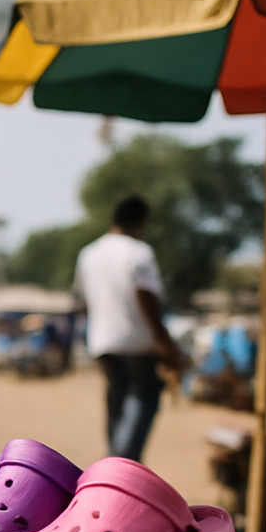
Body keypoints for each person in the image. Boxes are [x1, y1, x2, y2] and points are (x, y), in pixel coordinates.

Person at [73, 195, 185, 462]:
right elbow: (147, 298)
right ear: (140, 222)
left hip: (103, 344)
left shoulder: (89, 253)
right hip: (138, 345)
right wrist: (165, 342)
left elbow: (82, 301)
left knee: (116, 407)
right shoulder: (138, 252)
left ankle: (113, 469)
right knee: (140, 404)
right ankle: (120, 470)